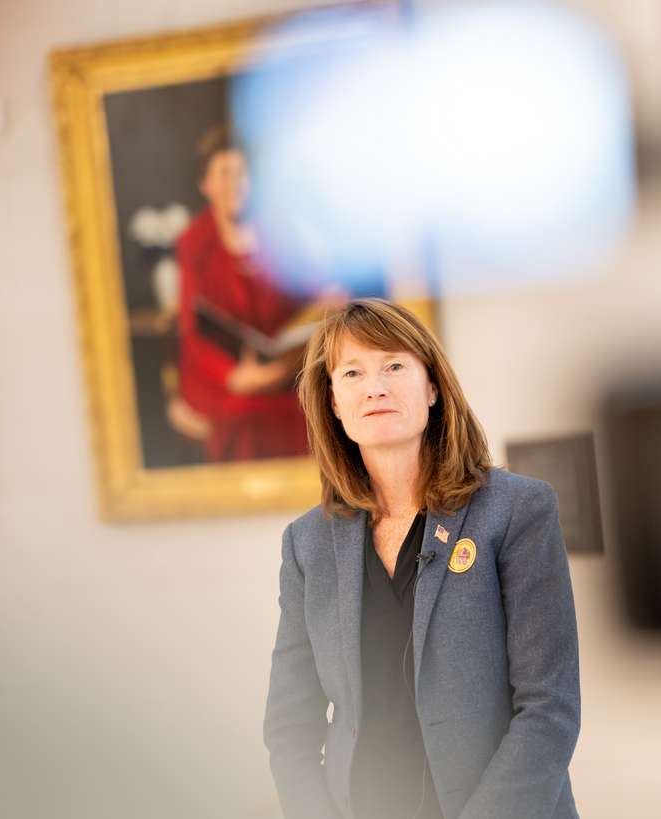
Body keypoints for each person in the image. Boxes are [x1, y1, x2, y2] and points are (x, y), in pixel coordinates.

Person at [263, 299, 581, 819]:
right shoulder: (308, 544)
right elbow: (289, 726)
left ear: (432, 387)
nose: (375, 387)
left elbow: (550, 710)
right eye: (352, 372)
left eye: (394, 366)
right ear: (334, 404)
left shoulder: (516, 510)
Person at [173, 125, 310, 462]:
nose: (234, 183)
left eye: (241, 173)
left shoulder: (280, 231)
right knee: (246, 414)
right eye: (223, 173)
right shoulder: (194, 242)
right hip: (219, 372)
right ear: (206, 184)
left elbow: (311, 299)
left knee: (310, 407)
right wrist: (234, 376)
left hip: (286, 365)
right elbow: (193, 328)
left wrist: (282, 365)